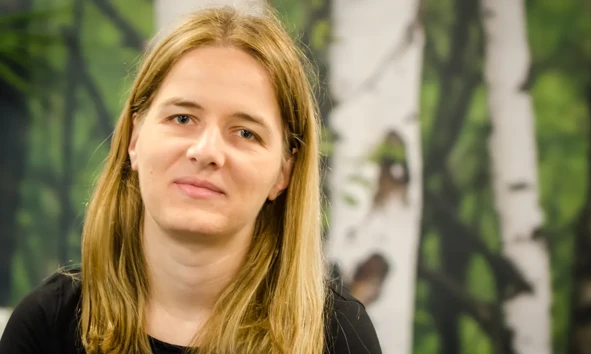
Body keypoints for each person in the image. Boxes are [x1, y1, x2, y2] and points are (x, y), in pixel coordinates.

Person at [0, 4, 382, 354]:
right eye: (182, 118)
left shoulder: (337, 336)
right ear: (135, 139)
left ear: (284, 172)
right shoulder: (46, 326)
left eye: (245, 132)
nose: (206, 151)